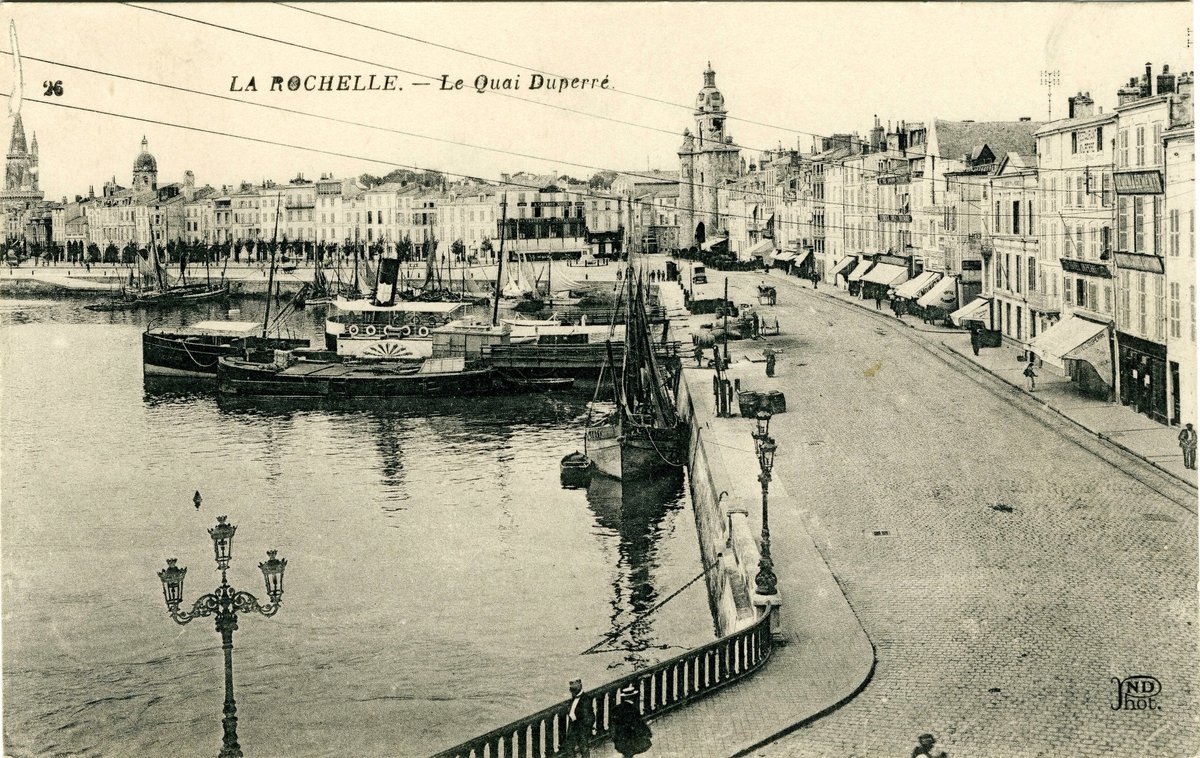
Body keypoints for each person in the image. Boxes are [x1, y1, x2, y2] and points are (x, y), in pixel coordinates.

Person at [611, 684, 652, 758]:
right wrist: (647, 731)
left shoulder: (617, 708)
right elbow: (636, 725)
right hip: (631, 740)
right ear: (633, 697)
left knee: (627, 755)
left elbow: (614, 725)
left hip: (620, 739)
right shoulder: (633, 709)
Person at [563, 679, 595, 758]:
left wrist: (587, 728)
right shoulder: (574, 698)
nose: (572, 691)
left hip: (582, 728)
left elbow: (589, 716)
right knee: (569, 747)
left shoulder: (586, 699)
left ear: (580, 685)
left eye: (574, 688)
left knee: (584, 748)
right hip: (573, 727)